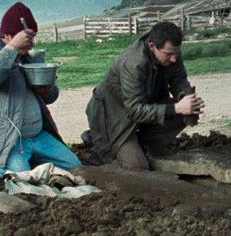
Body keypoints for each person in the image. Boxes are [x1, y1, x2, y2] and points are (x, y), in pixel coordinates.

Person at [0, 1, 81, 177]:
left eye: (32, 37)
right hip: (7, 140)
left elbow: (51, 95)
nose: (31, 43)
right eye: (27, 38)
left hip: (37, 136)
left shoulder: (28, 55)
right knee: (20, 178)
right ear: (7, 35)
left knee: (75, 167)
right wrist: (12, 48)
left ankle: (28, 160)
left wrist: (46, 90)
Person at [84, 21, 203, 170]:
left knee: (187, 112)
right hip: (114, 116)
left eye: (176, 53)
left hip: (144, 104)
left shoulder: (170, 51)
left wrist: (184, 97)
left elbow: (178, 78)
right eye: (169, 54)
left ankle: (140, 145)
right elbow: (135, 110)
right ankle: (97, 139)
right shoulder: (133, 62)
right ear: (152, 46)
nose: (174, 59)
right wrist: (176, 108)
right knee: (137, 167)